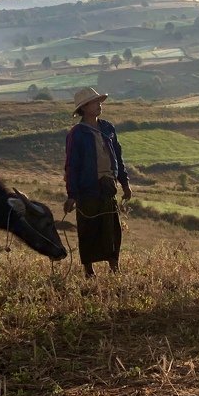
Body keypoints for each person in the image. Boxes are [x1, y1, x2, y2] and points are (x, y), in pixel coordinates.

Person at [63, 87, 132, 277]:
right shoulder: (76, 134)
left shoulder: (108, 128)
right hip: (87, 188)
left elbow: (117, 156)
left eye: (99, 102)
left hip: (108, 185)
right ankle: (88, 269)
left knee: (112, 227)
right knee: (88, 227)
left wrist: (124, 183)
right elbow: (71, 166)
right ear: (84, 108)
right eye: (95, 102)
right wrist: (72, 194)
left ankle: (114, 265)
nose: (99, 105)